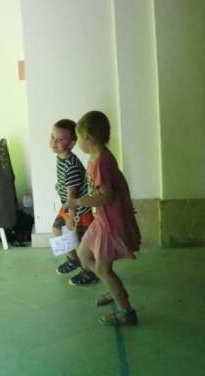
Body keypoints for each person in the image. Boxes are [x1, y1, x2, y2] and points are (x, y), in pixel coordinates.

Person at [69, 110, 141, 326]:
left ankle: (127, 312)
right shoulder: (96, 158)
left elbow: (107, 195)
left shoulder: (102, 161)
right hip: (101, 220)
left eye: (78, 138)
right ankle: (114, 288)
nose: (78, 143)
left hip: (110, 223)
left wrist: (79, 202)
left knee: (103, 269)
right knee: (83, 255)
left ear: (87, 138)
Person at [49, 119, 97, 284]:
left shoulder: (71, 166)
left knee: (84, 244)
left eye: (60, 139)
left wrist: (71, 217)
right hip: (68, 207)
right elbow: (68, 185)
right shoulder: (61, 158)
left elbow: (73, 195)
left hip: (79, 211)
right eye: (52, 137)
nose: (54, 142)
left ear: (72, 143)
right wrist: (59, 186)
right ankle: (73, 259)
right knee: (57, 229)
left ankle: (90, 271)